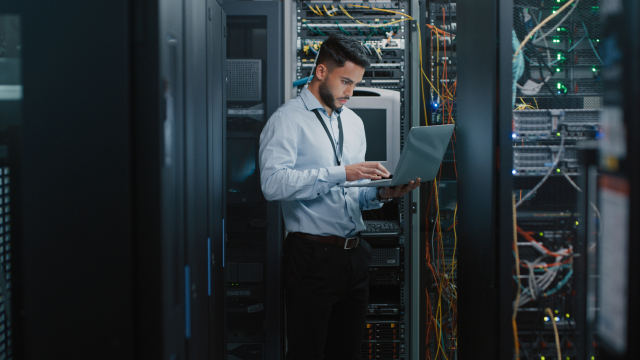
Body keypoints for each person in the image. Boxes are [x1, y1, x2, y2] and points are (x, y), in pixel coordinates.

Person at [259, 34, 420, 360]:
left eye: (356, 83)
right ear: (321, 72)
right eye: (345, 81)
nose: (350, 92)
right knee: (308, 352)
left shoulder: (354, 122)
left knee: (347, 352)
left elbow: (351, 195)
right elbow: (272, 184)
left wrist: (382, 193)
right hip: (311, 256)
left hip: (354, 255)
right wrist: (341, 172)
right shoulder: (287, 120)